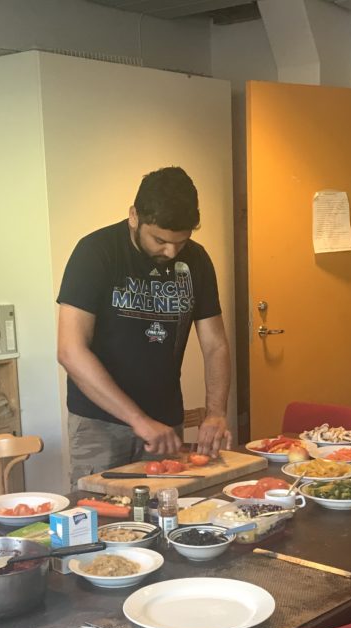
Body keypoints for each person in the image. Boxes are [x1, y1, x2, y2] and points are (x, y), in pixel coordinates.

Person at [56, 166, 232, 487]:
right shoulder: (95, 253)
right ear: (134, 216)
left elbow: (215, 345)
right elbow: (70, 351)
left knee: (166, 512)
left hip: (165, 424)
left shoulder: (197, 261)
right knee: (97, 519)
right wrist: (139, 420)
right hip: (100, 423)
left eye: (181, 242)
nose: (171, 251)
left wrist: (216, 412)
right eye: (160, 240)